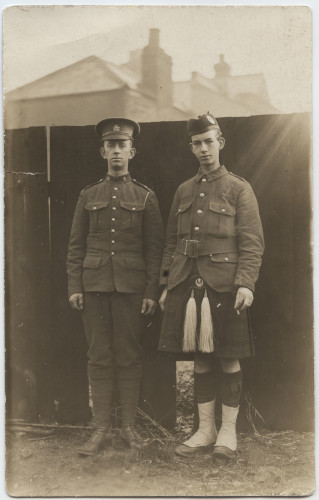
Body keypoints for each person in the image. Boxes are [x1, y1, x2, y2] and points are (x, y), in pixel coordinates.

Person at [158, 112, 264, 465]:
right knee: (200, 360)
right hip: (188, 284)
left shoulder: (239, 188)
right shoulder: (184, 191)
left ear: (220, 143)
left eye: (209, 142)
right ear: (191, 147)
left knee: (228, 355)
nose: (203, 150)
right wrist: (166, 283)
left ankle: (228, 432)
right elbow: (171, 243)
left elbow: (252, 243)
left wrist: (246, 283)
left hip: (225, 286)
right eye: (197, 144)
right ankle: (205, 430)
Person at [67, 117, 164, 456]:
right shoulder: (87, 195)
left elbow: (155, 251)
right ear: (103, 151)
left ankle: (127, 428)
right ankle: (100, 430)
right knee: (98, 357)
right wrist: (74, 286)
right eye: (111, 146)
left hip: (131, 289)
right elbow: (76, 246)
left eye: (123, 146)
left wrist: (152, 291)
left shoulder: (146, 197)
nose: (117, 152)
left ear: (132, 152)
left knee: (128, 356)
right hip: (93, 287)